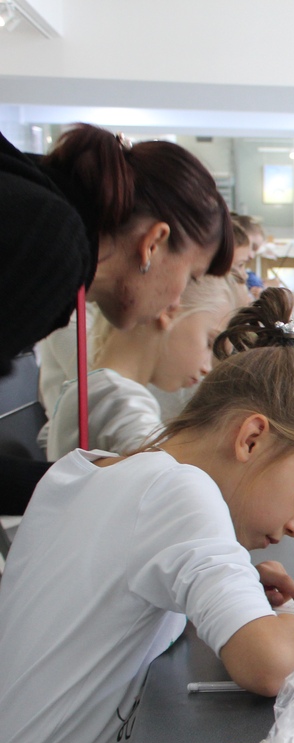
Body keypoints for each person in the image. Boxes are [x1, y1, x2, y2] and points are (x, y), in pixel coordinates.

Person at [0, 288, 294, 743]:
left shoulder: (93, 470)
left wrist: (231, 589)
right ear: (252, 438)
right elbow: (267, 665)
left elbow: (114, 593)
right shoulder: (181, 490)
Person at [0, 123, 233, 513]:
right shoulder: (49, 245)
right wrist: (93, 483)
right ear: (154, 243)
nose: (177, 299)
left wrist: (88, 481)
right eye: (191, 276)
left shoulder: (45, 209)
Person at [44, 274, 238, 460]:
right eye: (208, 343)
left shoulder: (100, 388)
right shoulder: (118, 399)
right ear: (169, 310)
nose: (207, 368)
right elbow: (162, 470)